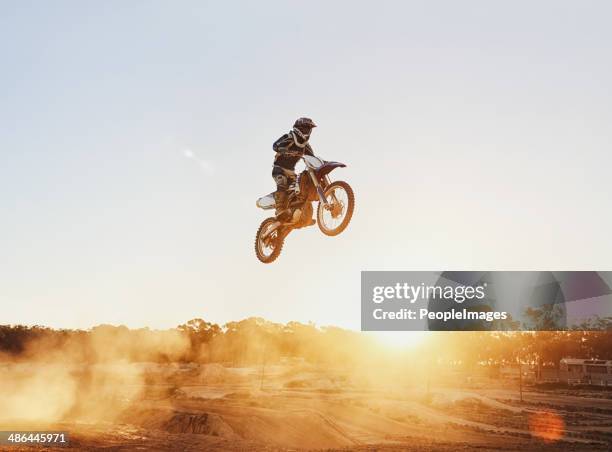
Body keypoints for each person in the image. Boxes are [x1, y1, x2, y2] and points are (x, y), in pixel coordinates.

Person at [271, 117, 317, 219]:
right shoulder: (290, 137)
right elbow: (275, 145)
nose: (308, 131)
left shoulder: (305, 145)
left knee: (302, 189)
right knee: (282, 183)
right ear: (299, 128)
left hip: (291, 172)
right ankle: (280, 210)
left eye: (309, 129)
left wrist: (320, 164)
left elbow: (312, 158)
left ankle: (303, 215)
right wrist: (282, 149)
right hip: (279, 168)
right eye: (306, 128)